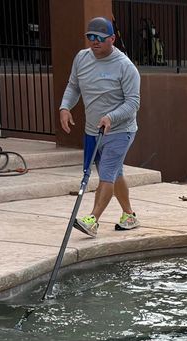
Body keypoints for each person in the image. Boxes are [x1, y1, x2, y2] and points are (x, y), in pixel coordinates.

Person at [59, 17, 142, 236]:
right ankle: (129, 216)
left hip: (120, 130)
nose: (95, 41)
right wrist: (65, 107)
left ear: (112, 39)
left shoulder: (125, 67)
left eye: (100, 38)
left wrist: (111, 117)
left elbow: (133, 103)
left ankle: (93, 220)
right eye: (91, 37)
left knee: (106, 173)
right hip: (93, 130)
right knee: (115, 173)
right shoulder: (81, 58)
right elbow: (73, 86)